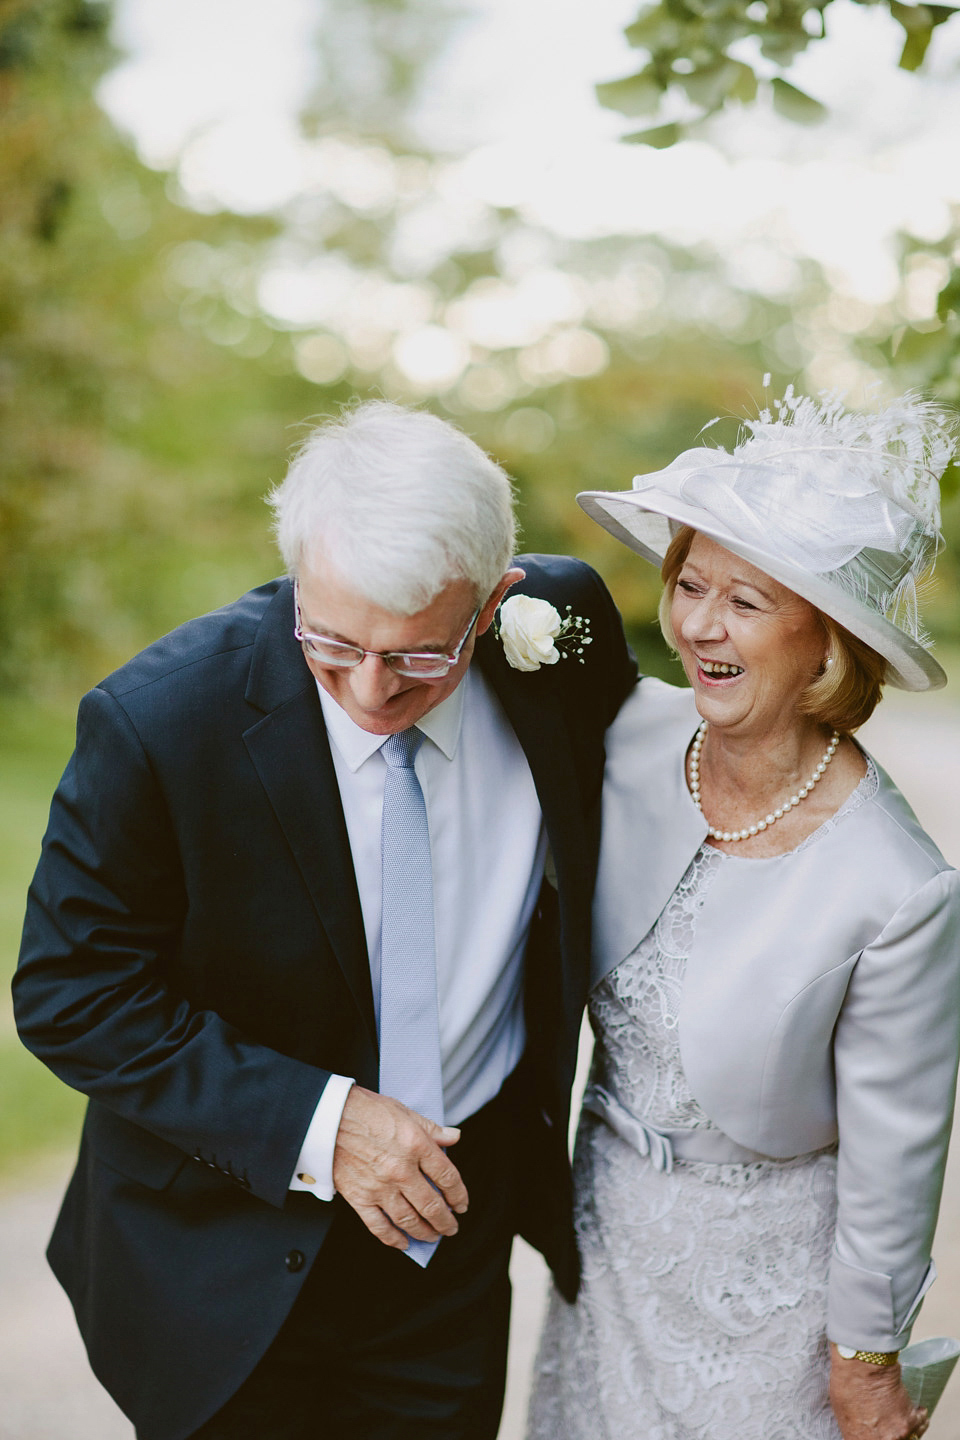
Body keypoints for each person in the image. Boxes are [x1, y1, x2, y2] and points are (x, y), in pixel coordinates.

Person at [13, 400, 635, 1440]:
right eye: (333, 644)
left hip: (453, 1244)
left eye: (420, 657)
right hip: (221, 1258)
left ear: (495, 603)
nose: (370, 691)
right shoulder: (161, 721)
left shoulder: (560, 634)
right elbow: (71, 992)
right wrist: (323, 1123)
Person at [528, 389, 960, 1440]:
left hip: (769, 1295)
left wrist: (863, 1365)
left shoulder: (898, 884)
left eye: (747, 601)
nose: (698, 626)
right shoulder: (624, 739)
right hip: (605, 1247)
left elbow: (896, 1154)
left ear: (828, 641)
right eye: (689, 584)